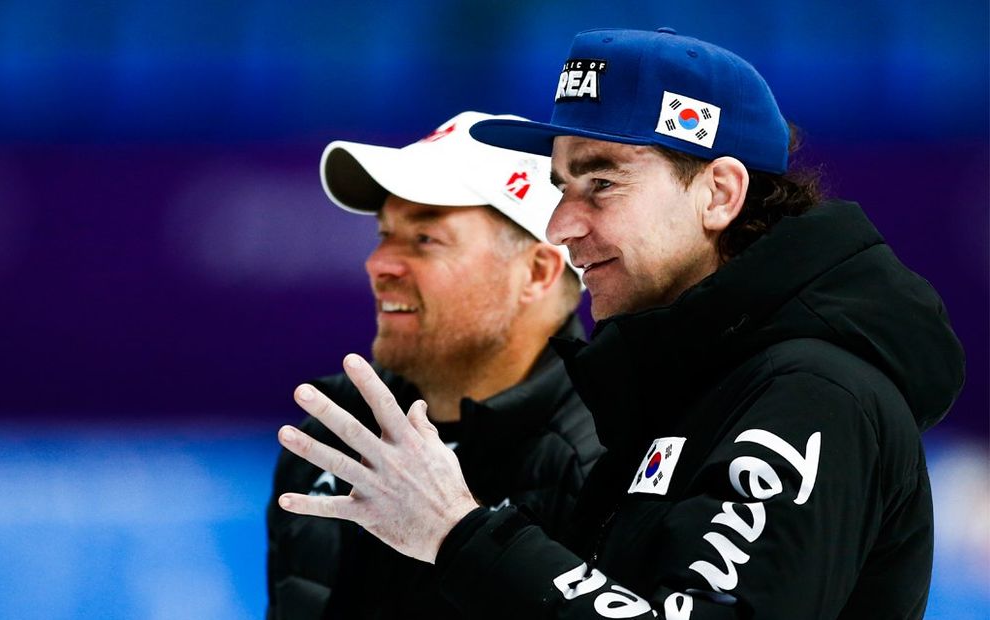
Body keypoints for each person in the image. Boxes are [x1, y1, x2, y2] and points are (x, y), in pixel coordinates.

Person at [275, 29, 966, 619]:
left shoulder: (814, 397)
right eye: (562, 186)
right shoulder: (692, 387)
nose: (560, 225)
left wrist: (460, 532)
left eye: (600, 183)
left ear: (719, 194)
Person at [266, 111, 603, 619]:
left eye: (425, 239)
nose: (379, 264)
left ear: (536, 272)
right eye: (385, 234)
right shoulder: (332, 436)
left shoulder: (613, 458)